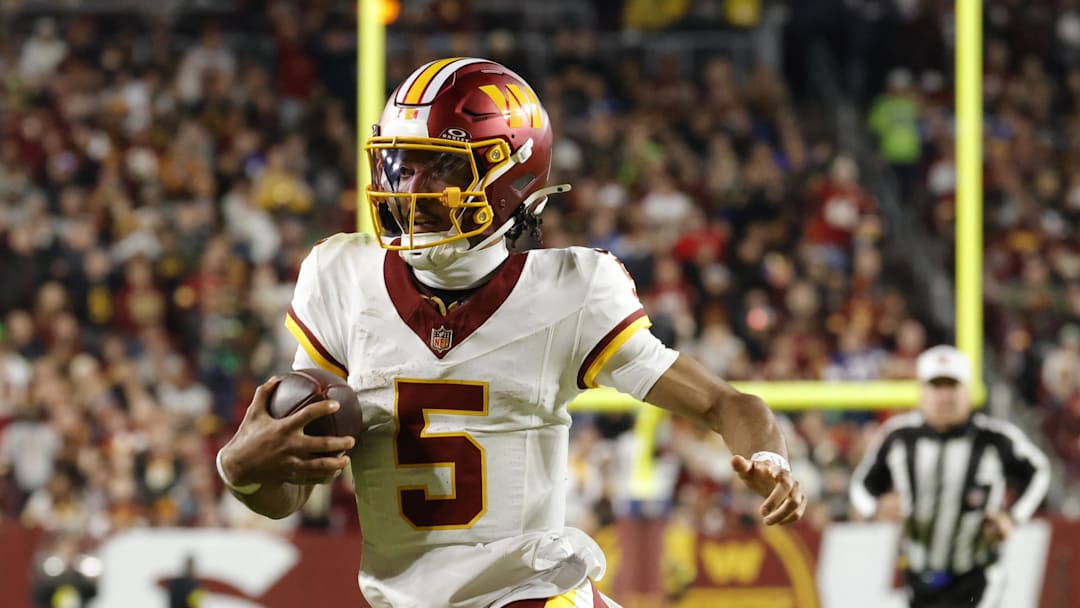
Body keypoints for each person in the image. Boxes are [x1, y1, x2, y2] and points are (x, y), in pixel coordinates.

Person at [216, 57, 807, 608]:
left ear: (513, 176)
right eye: (404, 164)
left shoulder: (572, 290)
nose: (412, 189)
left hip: (532, 593)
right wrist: (241, 470)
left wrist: (768, 459)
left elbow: (726, 403)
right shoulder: (341, 275)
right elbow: (289, 493)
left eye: (443, 166)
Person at [850, 345, 1051, 608]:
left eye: (952, 386)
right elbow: (861, 484)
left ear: (968, 391)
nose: (945, 396)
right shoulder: (898, 437)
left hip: (976, 575)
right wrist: (876, 508)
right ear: (922, 392)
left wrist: (1012, 517)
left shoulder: (994, 438)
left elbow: (1039, 471)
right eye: (936, 386)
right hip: (917, 576)